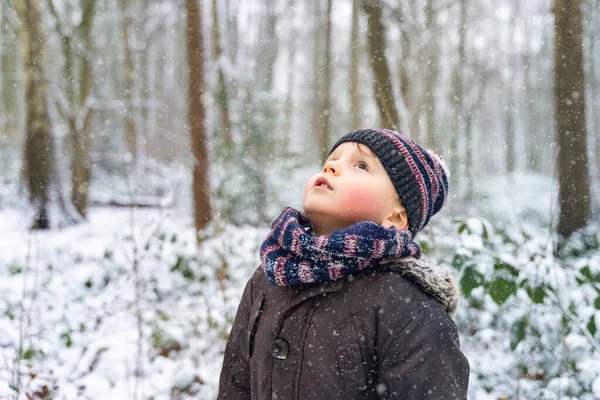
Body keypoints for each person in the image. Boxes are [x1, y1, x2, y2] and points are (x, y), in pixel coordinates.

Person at [217, 128, 470, 399]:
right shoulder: (269, 279)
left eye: (361, 165)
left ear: (395, 218)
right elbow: (236, 385)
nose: (332, 166)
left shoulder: (410, 309)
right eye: (332, 159)